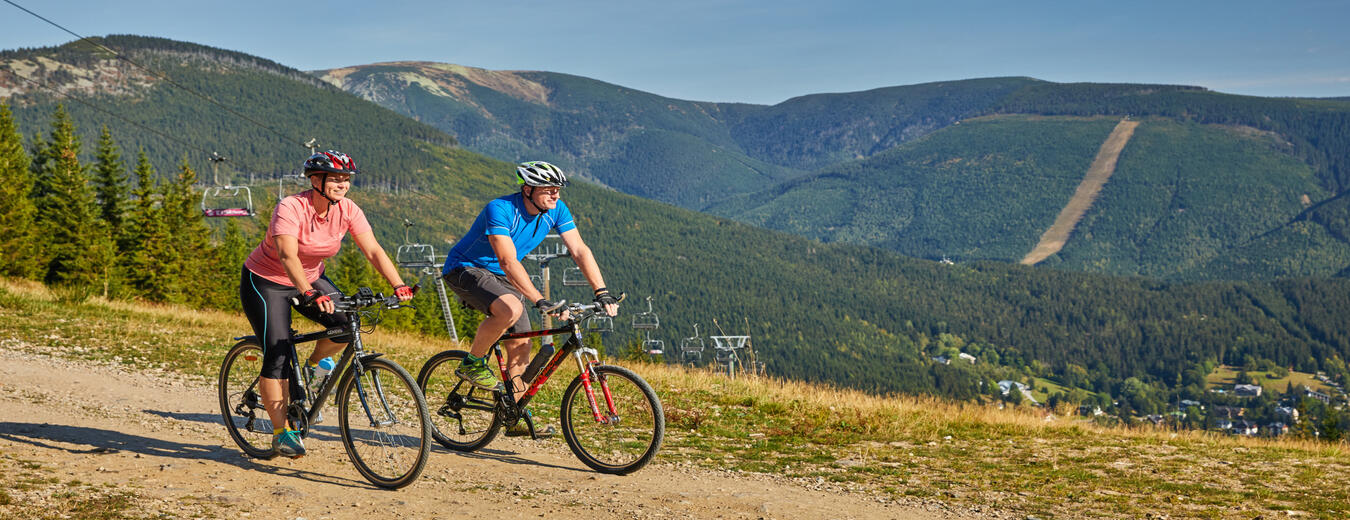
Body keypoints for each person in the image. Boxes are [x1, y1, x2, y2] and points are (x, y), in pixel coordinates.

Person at [239, 150, 414, 458]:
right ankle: (282, 432)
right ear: (316, 180)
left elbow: (373, 250)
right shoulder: (291, 207)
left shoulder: (347, 210)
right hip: (266, 282)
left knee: (346, 326)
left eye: (346, 180)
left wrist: (397, 284)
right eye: (335, 179)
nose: (342, 185)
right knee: (277, 354)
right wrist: (307, 292)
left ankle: (310, 367)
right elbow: (287, 255)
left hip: (311, 278)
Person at [441, 160, 620, 437]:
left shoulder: (556, 210)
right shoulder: (500, 209)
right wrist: (539, 300)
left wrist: (601, 291)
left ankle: (512, 416)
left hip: (501, 278)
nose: (556, 195)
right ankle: (472, 364)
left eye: (558, 189)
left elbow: (579, 250)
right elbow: (508, 260)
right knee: (511, 308)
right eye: (548, 189)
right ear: (527, 189)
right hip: (465, 268)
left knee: (521, 346)